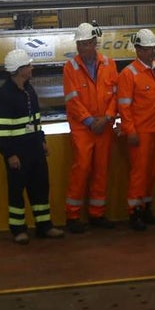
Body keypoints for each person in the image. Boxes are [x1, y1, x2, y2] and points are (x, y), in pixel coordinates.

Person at [0, 48, 65, 245]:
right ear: (19, 69)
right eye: (28, 66)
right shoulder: (3, 95)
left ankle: (44, 226)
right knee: (17, 192)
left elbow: (35, 120)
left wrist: (42, 141)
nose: (32, 68)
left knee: (40, 188)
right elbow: (1, 130)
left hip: (35, 150)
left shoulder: (29, 90)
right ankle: (18, 230)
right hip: (18, 153)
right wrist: (10, 155)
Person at [61, 22, 118, 232]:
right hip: (83, 129)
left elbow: (115, 95)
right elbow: (72, 99)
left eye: (86, 44)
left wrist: (108, 118)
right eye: (79, 44)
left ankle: (97, 214)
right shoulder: (70, 68)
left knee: (101, 170)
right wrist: (89, 121)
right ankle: (72, 216)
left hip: (103, 126)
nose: (82, 48)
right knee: (82, 168)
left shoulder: (109, 64)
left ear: (94, 43)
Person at [117, 28, 155, 231]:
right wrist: (130, 131)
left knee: (152, 171)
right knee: (139, 173)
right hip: (140, 133)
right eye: (149, 49)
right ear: (138, 50)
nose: (153, 52)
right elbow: (124, 106)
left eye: (154, 48)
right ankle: (135, 212)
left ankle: (146, 207)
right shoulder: (128, 74)